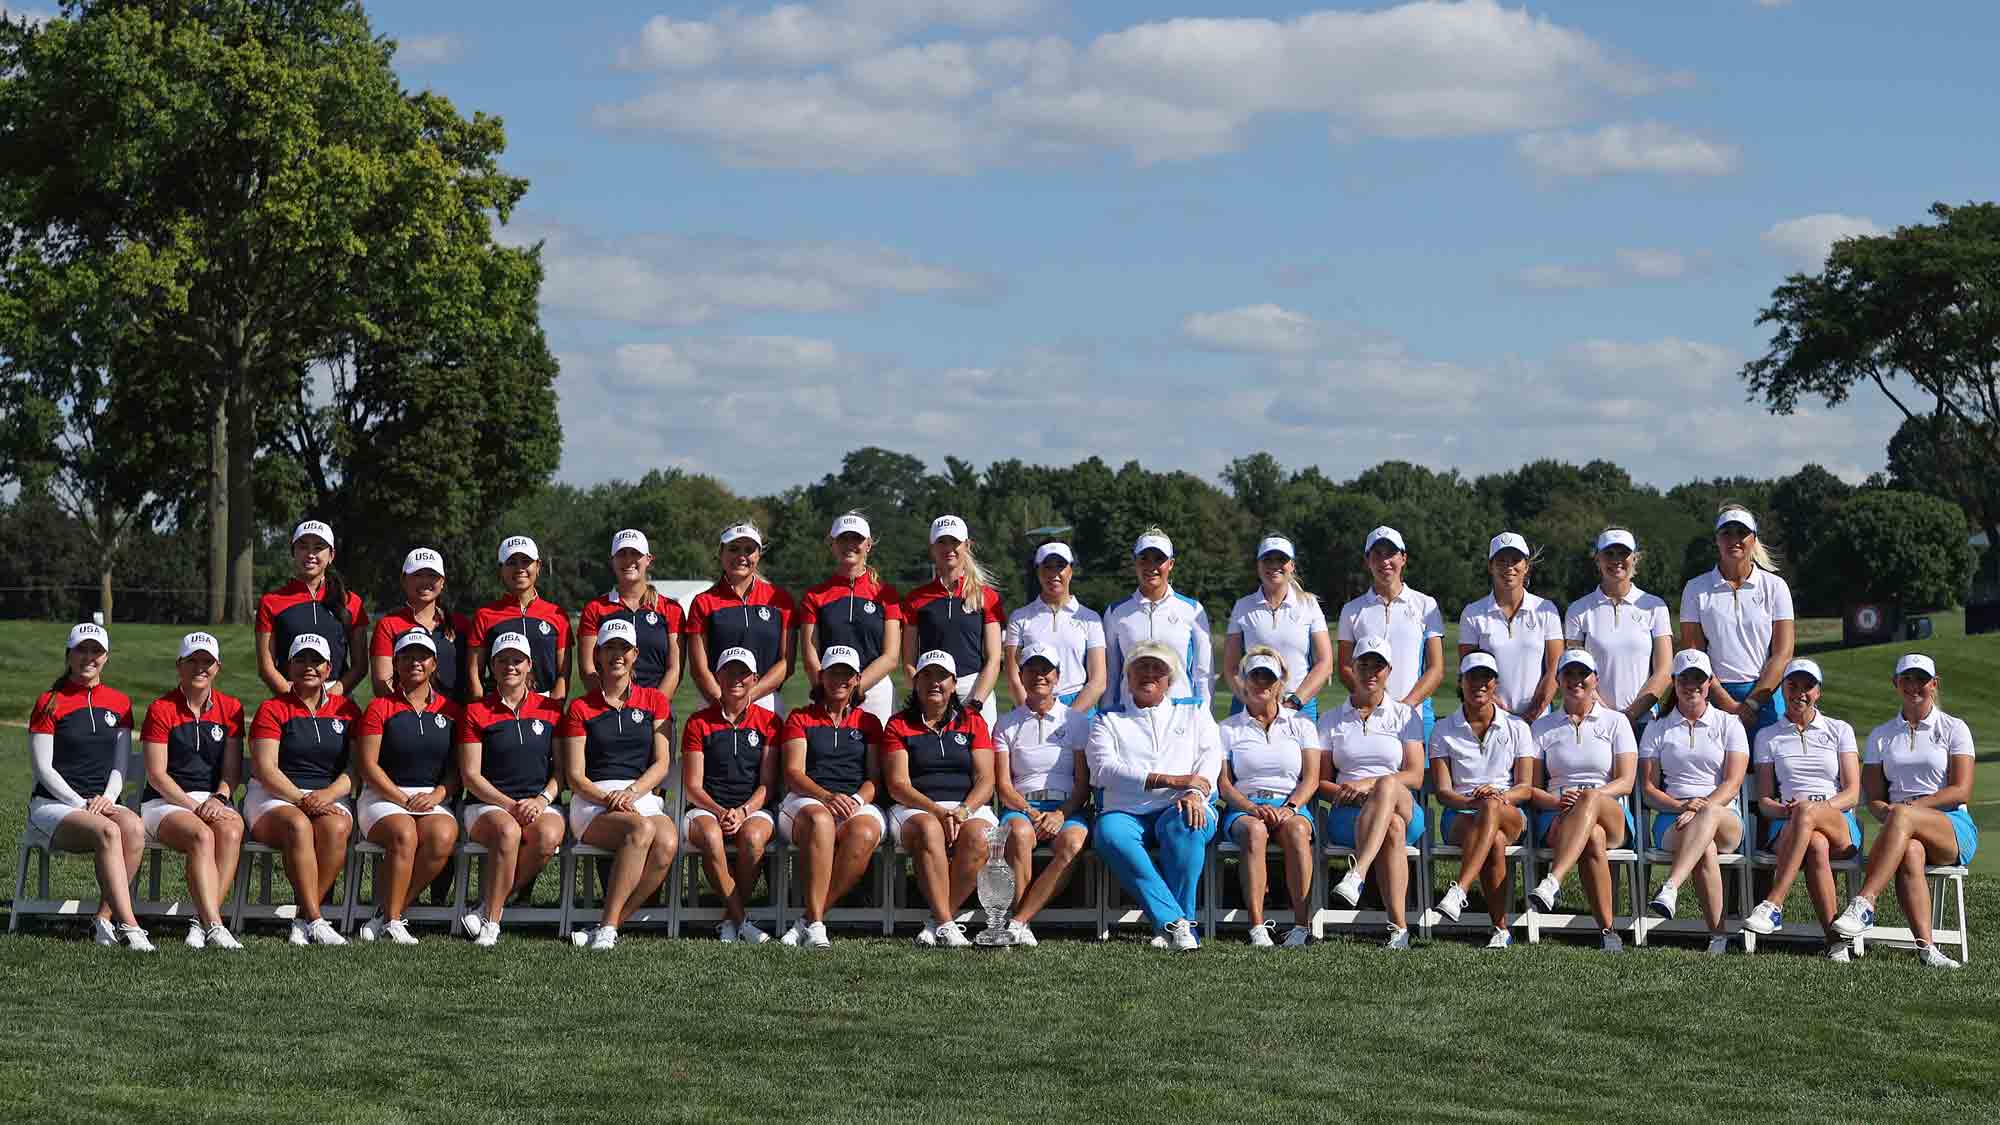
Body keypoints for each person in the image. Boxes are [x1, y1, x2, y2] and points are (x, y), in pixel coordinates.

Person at [1830, 654, 1978, 969]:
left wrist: (1906, 811)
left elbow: (1960, 791)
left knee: (1903, 818)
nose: (1914, 687)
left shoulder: (1954, 728)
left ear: (1934, 685)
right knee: (1909, 850)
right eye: (1906, 679)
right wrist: (1896, 818)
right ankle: (1927, 950)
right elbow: (1874, 800)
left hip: (1951, 826)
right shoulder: (1881, 735)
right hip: (1902, 827)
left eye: (1921, 680)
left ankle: (1865, 902)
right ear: (1895, 683)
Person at [26, 623, 153, 951]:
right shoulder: (49, 701)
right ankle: (131, 926)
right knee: (109, 832)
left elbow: (120, 764)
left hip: (101, 803)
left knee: (134, 829)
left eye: (96, 651)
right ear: (69, 655)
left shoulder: (120, 703)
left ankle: (104, 918)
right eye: (81, 650)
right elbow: (43, 769)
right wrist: (80, 803)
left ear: (106, 657)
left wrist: (107, 799)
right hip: (53, 806)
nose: (89, 657)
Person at [1089, 640, 1222, 951]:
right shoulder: (1107, 718)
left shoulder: (1195, 710)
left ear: (1170, 678)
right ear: (1127, 676)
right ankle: (1178, 923)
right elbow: (1104, 770)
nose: (1149, 673)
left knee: (1187, 823)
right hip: (1125, 810)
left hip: (1180, 805)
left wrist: (1192, 792)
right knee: (1109, 834)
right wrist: (1168, 779)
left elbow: (1210, 758)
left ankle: (1174, 925)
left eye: (1157, 668)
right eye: (1141, 667)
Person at [562, 619, 678, 952]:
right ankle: (610, 926)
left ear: (635, 655)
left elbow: (662, 763)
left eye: (623, 649)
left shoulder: (655, 700)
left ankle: (608, 924)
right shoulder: (580, 708)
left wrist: (632, 793)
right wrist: (609, 797)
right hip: (592, 802)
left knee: (667, 842)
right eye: (609, 648)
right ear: (597, 654)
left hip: (638, 796)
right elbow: (576, 776)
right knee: (640, 830)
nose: (617, 655)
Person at [1742, 658, 1863, 960]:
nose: (1800, 693)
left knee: (1810, 819)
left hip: (1839, 822)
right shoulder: (1767, 736)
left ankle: (1774, 903)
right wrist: (1789, 812)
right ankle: (1836, 944)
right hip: (1788, 825)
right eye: (1792, 685)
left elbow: (1852, 793)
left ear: (1818, 692)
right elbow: (1767, 801)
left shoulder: (1839, 730)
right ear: (1782, 689)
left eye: (1808, 687)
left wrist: (1814, 808)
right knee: (1815, 844)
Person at [246, 633, 363, 946]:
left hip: (327, 796)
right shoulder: (272, 709)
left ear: (328, 668)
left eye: (316, 661)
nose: (308, 667)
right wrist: (300, 799)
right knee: (298, 825)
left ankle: (302, 919)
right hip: (273, 796)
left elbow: (354, 768)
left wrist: (326, 795)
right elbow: (266, 769)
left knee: (337, 827)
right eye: (300, 660)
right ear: (288, 667)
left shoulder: (348, 710)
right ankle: (315, 918)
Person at [455, 631, 568, 947]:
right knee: (508, 832)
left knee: (546, 838)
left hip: (538, 803)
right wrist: (509, 805)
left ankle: (487, 905)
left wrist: (542, 800)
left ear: (529, 664)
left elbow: (562, 772)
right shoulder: (476, 712)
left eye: (517, 660)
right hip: (486, 804)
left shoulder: (551, 709)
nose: (510, 667)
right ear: (491, 665)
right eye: (502, 660)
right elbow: (470, 775)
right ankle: (492, 922)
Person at [352, 629, 462, 944]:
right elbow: (368, 766)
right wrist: (401, 798)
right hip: (383, 796)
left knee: (442, 837)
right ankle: (393, 919)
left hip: (430, 796)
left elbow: (456, 769)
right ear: (396, 664)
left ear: (434, 664)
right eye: (407, 656)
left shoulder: (451, 711)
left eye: (422, 656)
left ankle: (391, 911)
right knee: (404, 833)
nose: (415, 662)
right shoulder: (379, 707)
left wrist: (439, 795)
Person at [881, 649, 998, 948]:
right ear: (916, 682)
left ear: (954, 683)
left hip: (965, 807)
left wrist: (962, 810)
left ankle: (937, 922)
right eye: (927, 676)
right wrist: (937, 811)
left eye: (942, 677)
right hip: (914, 808)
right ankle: (947, 923)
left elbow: (986, 779)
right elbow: (897, 785)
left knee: (982, 837)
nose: (935, 683)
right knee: (929, 829)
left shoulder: (972, 721)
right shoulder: (898, 724)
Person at [139, 630, 247, 950]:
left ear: (217, 667)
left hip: (208, 800)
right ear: (179, 665)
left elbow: (231, 772)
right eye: (193, 661)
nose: (201, 667)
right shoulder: (161, 708)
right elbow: (157, 775)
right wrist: (192, 805)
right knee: (202, 835)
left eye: (207, 662)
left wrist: (220, 797)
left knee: (231, 828)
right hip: (164, 802)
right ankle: (215, 924)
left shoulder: (231, 708)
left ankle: (200, 924)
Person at [1524, 650, 1638, 953]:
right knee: (1593, 837)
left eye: (1583, 674)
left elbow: (1626, 781)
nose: (1576, 681)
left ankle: (1554, 880)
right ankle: (1608, 931)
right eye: (1569, 674)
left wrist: (1592, 797)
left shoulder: (1617, 722)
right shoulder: (1542, 727)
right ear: (1559, 680)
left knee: (1591, 800)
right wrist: (1558, 801)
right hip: (1557, 813)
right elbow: (1532, 789)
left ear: (1595, 679)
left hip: (1611, 810)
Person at [1317, 635, 1426, 949]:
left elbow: (1415, 776)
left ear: (1389, 670)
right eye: (1363, 664)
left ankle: (1358, 873)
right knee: (1391, 827)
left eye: (1378, 665)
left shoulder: (1405, 716)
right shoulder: (1330, 720)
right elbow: (1322, 783)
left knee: (1389, 785)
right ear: (1352, 668)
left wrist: (1369, 786)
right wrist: (1346, 792)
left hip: (1404, 804)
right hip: (1349, 813)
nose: (1370, 672)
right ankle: (1399, 930)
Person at [1637, 650, 1749, 956]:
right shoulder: (1657, 728)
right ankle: (1718, 936)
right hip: (1673, 817)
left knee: (1710, 815)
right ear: (1674, 682)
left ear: (1710, 682)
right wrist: (1681, 807)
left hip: (1724, 816)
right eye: (1684, 678)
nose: (1692, 685)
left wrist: (1700, 808)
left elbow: (1733, 782)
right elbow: (1648, 787)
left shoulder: (1729, 723)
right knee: (1705, 847)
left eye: (1699, 678)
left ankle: (1671, 886)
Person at [776, 646, 887, 949]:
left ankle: (811, 918)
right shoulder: (800, 718)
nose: (840, 679)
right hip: (806, 799)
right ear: (821, 677)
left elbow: (875, 778)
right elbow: (794, 773)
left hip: (853, 800)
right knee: (821, 819)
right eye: (834, 672)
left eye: (847, 673)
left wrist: (856, 800)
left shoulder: (869, 723)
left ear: (857, 680)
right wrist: (826, 796)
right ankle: (815, 923)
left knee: (864, 831)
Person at [1428, 652, 1535, 950]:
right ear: (1461, 682)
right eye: (1472, 677)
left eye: (1486, 678)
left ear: (1495, 684)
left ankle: (1460, 889)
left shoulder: (1517, 727)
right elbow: (1443, 792)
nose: (1479, 684)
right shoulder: (1442, 729)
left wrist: (1498, 798)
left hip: (1509, 810)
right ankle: (1500, 929)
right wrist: (1472, 801)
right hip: (1461, 813)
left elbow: (1525, 787)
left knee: (1492, 808)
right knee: (1496, 842)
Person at [1216, 646, 1320, 947]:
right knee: (1254, 830)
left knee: (1298, 829)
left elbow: (1311, 778)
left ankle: (1301, 926)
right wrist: (1251, 807)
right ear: (1243, 681)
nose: (1261, 684)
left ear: (1280, 684)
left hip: (1290, 804)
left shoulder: (1301, 725)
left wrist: (1290, 807)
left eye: (1268, 678)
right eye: (1254, 677)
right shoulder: (1227, 728)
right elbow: (1224, 783)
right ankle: (1258, 926)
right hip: (1244, 807)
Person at [992, 642, 1093, 947]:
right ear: (1020, 676)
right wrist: (1032, 813)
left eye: (1046, 670)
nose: (1040, 676)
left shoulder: (1075, 721)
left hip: (1066, 806)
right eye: (1032, 669)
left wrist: (1061, 813)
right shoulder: (1006, 723)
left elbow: (1082, 782)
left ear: (1058, 677)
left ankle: (1019, 921)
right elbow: (1004, 786)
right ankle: (1022, 923)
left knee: (1073, 842)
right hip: (1023, 806)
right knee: (1020, 835)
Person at [680, 646, 782, 944]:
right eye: (729, 671)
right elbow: (693, 786)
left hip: (753, 808)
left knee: (752, 838)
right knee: (711, 836)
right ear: (718, 676)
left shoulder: (770, 722)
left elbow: (768, 784)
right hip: (706, 808)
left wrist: (744, 811)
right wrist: (722, 811)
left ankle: (728, 919)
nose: (736, 678)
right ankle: (742, 921)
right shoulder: (698, 722)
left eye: (743, 673)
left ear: (755, 678)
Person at [1680, 505, 1795, 734]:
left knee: (1767, 768)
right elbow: (1695, 655)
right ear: (1716, 540)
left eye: (1741, 533)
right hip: (1713, 696)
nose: (1734, 540)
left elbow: (1782, 654)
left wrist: (1752, 703)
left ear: (1753, 539)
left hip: (1766, 694)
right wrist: (1728, 704)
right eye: (1727, 533)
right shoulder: (1695, 589)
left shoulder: (1775, 587)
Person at [1336, 526, 1444, 743]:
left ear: (1403, 558)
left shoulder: (1425, 605)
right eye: (1377, 554)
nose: (1384, 561)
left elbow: (1436, 669)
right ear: (1367, 560)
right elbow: (1345, 667)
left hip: (1414, 714)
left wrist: (1404, 707)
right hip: (1366, 716)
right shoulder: (1351, 610)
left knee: (1415, 777)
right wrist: (1375, 704)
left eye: (1391, 554)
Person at [1563, 528, 1673, 733]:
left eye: (1623, 553)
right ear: (1597, 559)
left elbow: (1664, 670)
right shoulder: (1578, 610)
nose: (1616, 560)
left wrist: (1631, 715)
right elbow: (1575, 673)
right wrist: (1608, 717)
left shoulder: (1654, 606)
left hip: (1644, 721)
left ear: (1635, 558)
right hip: (1594, 720)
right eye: (1609, 554)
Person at [798, 512, 903, 722]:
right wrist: (828, 690)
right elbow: (811, 657)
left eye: (856, 538)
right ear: (832, 544)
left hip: (875, 689)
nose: (849, 544)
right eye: (843, 539)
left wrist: (857, 687)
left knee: (881, 754)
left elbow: (891, 656)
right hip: (830, 690)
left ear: (868, 545)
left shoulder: (886, 594)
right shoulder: (815, 596)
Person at [902, 515, 1005, 724]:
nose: (948, 548)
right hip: (931, 689)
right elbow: (909, 661)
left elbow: (994, 659)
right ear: (932, 548)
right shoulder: (916, 599)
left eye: (955, 542)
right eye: (942, 542)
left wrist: (977, 702)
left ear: (966, 545)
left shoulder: (986, 596)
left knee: (980, 756)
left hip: (973, 689)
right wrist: (922, 693)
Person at [686, 520, 794, 715]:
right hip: (715, 702)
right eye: (734, 549)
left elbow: (787, 662)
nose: (741, 556)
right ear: (721, 554)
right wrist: (722, 702)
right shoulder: (703, 602)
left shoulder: (780, 600)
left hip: (765, 701)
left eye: (749, 550)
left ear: (758, 555)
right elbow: (699, 669)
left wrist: (749, 697)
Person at [1103, 528, 1212, 711]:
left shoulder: (1192, 610)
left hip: (1180, 713)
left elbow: (1203, 674)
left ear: (1170, 564)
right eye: (1144, 558)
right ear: (1135, 562)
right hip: (1129, 714)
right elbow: (1112, 675)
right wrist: (1107, 713)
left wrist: (1204, 717)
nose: (1151, 566)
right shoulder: (1116, 612)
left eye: (1159, 559)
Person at [1224, 535, 1332, 720]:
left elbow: (1325, 663)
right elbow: (1231, 667)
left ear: (1292, 565)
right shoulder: (1242, 607)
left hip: (1298, 705)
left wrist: (1294, 702)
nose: (1274, 565)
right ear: (1258, 566)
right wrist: (1250, 701)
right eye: (1267, 559)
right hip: (1250, 706)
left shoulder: (1309, 605)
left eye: (1281, 559)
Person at [256, 519, 367, 697]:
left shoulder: (352, 602)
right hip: (289, 699)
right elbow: (266, 666)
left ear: (331, 555)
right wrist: (293, 698)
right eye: (303, 547)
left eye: (318, 547)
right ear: (293, 552)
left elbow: (360, 665)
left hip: (338, 703)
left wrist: (331, 697)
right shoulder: (271, 602)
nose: (310, 554)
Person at [1457, 532, 1563, 721]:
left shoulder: (1546, 610)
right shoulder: (1472, 613)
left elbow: (1554, 668)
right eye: (1501, 561)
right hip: (1490, 718)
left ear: (1526, 566)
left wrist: (1532, 713)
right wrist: (1497, 709)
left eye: (1515, 560)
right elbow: (1469, 669)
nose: (1509, 567)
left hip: (1539, 719)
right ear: (1491, 566)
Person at [1002, 541, 1107, 715]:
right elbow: (1014, 676)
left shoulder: (1090, 618)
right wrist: (1030, 713)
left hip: (1078, 706)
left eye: (1060, 566)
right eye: (1047, 567)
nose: (1054, 574)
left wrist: (1069, 719)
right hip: (1031, 706)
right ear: (1038, 572)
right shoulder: (1019, 617)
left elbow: (1098, 680)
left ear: (1071, 571)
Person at [578, 528, 683, 696]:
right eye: (622, 554)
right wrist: (611, 706)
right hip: (608, 710)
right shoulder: (595, 609)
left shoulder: (671, 609)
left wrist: (655, 708)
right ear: (612, 560)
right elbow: (588, 668)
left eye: (635, 553)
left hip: (656, 711)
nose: (628, 560)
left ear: (648, 559)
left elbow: (674, 669)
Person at [466, 535, 570, 699]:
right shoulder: (484, 616)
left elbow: (563, 673)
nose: (519, 568)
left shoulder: (557, 615)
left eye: (526, 561)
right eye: (512, 562)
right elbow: (474, 673)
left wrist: (556, 706)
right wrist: (480, 708)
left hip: (545, 710)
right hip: (499, 709)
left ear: (538, 566)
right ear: (501, 569)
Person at [368, 547, 470, 702]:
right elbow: (382, 685)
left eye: (432, 575)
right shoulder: (388, 625)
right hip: (406, 716)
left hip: (454, 717)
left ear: (442, 582)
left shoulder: (461, 624)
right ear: (404, 580)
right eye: (418, 575)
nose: (425, 581)